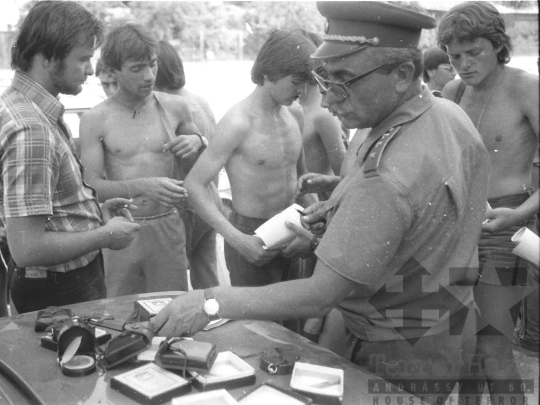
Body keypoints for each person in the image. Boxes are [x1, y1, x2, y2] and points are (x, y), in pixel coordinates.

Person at [153, 3, 491, 403]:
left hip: (396, 351)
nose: (329, 99)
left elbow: (321, 294)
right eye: (325, 79)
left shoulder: (386, 173)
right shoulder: (448, 113)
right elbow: (423, 225)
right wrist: (333, 224)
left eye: (345, 80)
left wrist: (210, 302)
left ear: (402, 75)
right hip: (446, 326)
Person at [0, 1, 140, 314]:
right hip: (60, 286)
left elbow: (46, 207)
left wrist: (94, 211)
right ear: (48, 57)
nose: (91, 70)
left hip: (58, 281)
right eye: (83, 59)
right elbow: (27, 247)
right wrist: (105, 235)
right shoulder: (31, 129)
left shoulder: (23, 106)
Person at [439, 2, 539, 402]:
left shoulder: (526, 88)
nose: (463, 64)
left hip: (506, 229)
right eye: (454, 56)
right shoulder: (453, 91)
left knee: (493, 346)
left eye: (473, 52)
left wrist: (520, 213)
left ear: (498, 45)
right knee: (462, 343)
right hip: (459, 229)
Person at [184, 29, 317, 289]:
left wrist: (311, 222)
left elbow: (301, 177)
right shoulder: (238, 122)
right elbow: (194, 184)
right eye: (295, 81)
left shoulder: (295, 115)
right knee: (256, 326)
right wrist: (237, 240)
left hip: (293, 229)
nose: (302, 90)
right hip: (250, 234)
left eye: (305, 82)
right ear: (269, 74)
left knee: (294, 322)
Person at [80, 23, 204, 297]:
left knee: (171, 312)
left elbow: (201, 165)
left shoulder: (176, 107)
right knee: (119, 314)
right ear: (112, 71)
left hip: (167, 225)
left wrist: (199, 141)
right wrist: (143, 186)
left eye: (153, 64)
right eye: (137, 69)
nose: (149, 76)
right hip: (121, 229)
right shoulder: (95, 120)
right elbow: (91, 186)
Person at [154, 40, 221, 290]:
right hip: (210, 199)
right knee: (207, 277)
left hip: (186, 204)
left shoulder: (167, 107)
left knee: (174, 281)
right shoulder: (198, 100)